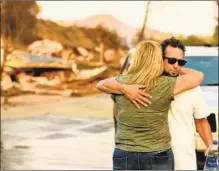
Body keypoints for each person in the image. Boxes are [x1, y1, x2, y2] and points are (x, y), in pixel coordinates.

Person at [97, 37, 213, 170]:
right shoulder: (136, 85)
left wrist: (210, 146)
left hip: (182, 159)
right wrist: (124, 88)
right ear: (159, 59)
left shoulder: (191, 87)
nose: (176, 64)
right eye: (171, 60)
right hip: (158, 154)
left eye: (181, 62)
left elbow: (201, 121)